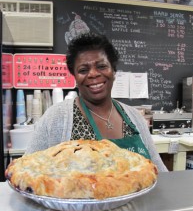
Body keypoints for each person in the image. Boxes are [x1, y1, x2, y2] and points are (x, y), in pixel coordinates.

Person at [25, 32, 168, 172]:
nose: (93, 74)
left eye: (101, 66)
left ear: (113, 71)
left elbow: (158, 171)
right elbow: (27, 169)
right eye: (83, 70)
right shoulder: (55, 117)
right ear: (74, 76)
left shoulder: (135, 117)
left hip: (138, 196)